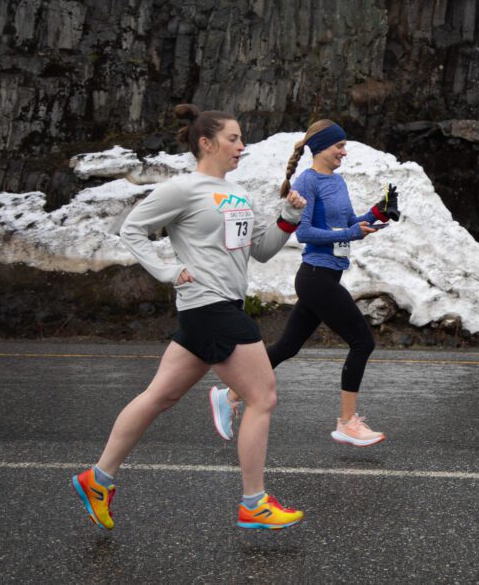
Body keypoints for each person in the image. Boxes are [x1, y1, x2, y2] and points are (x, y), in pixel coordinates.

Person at [71, 103, 308, 531]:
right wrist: (165, 270)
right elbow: (132, 230)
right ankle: (254, 502)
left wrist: (288, 217)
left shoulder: (239, 195)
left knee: (158, 397)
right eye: (233, 138)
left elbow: (261, 250)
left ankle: (98, 478)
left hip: (220, 307)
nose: (242, 146)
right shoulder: (182, 190)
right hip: (208, 305)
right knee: (262, 397)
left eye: (241, 138)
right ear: (206, 143)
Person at [210, 119, 399, 448]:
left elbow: (348, 223)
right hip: (315, 277)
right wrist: (352, 232)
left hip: (326, 276)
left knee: (287, 347)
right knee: (362, 342)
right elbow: (306, 232)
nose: (344, 151)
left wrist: (377, 213)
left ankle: (229, 395)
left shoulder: (337, 182)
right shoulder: (307, 182)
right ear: (321, 148)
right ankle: (346, 423)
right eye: (339, 146)